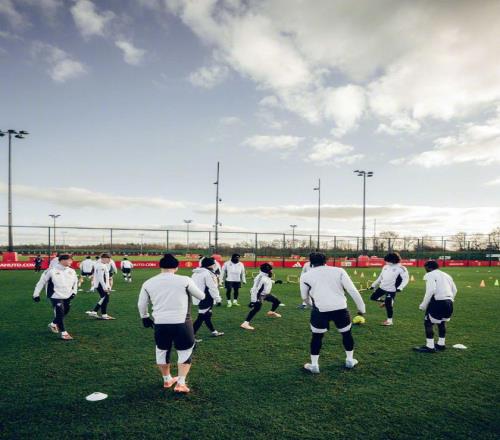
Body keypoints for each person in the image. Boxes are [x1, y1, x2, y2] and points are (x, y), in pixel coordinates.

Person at [138, 254, 205, 394]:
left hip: (160, 323)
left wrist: (144, 317)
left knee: (162, 350)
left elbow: (141, 304)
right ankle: (181, 383)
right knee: (185, 351)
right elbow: (201, 296)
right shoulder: (185, 280)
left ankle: (167, 379)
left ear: (160, 266)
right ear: (177, 267)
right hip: (182, 323)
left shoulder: (148, 282)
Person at [300, 252, 366, 374]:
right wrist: (361, 309)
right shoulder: (339, 271)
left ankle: (314, 365)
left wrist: (311, 306)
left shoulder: (305, 276)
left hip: (320, 310)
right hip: (341, 309)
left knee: (317, 337)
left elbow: (304, 297)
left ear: (311, 262)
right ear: (325, 260)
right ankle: (350, 360)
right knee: (346, 334)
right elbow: (352, 290)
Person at [414, 260, 457, 353]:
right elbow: (455, 290)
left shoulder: (430, 275)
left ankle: (430, 347)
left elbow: (431, 290)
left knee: (428, 323)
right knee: (442, 322)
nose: (425, 269)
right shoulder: (447, 275)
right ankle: (441, 344)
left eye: (425, 267)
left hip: (438, 302)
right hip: (449, 302)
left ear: (429, 267)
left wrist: (423, 304)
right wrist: (450, 299)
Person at [32, 254, 78, 340]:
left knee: (65, 312)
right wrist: (36, 294)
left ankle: (53, 324)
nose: (71, 261)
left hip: (67, 295)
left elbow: (75, 282)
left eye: (71, 260)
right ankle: (64, 333)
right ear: (62, 260)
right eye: (69, 260)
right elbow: (41, 282)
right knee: (59, 312)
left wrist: (74, 292)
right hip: (55, 295)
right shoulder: (50, 271)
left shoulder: (72, 271)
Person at [369, 252, 409, 326]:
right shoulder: (385, 266)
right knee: (373, 298)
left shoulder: (401, 268)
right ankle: (385, 301)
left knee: (388, 305)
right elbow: (380, 277)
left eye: (387, 261)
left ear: (393, 260)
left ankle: (389, 321)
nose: (386, 262)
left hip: (391, 290)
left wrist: (400, 287)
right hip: (382, 287)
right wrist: (373, 285)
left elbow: (405, 279)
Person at [240, 263, 283, 331]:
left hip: (266, 294)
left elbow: (267, 280)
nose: (272, 271)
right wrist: (253, 301)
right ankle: (245, 324)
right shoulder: (260, 278)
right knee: (256, 308)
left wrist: (275, 282)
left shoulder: (265, 275)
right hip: (259, 295)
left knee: (277, 302)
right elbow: (255, 290)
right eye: (271, 270)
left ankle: (271, 312)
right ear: (267, 270)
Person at [191, 257, 224, 340]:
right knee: (201, 317)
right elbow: (212, 287)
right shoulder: (209, 274)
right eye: (214, 264)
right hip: (206, 298)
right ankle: (191, 336)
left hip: (198, 297)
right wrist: (218, 298)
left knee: (207, 315)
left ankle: (214, 332)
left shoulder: (195, 273)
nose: (215, 266)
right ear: (210, 265)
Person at [86, 253, 115, 320]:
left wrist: (108, 285)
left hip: (101, 285)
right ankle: (100, 313)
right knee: (105, 298)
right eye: (108, 259)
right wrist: (105, 287)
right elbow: (101, 278)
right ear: (104, 258)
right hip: (101, 285)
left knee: (104, 299)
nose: (110, 260)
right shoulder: (101, 266)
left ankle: (97, 312)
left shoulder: (101, 265)